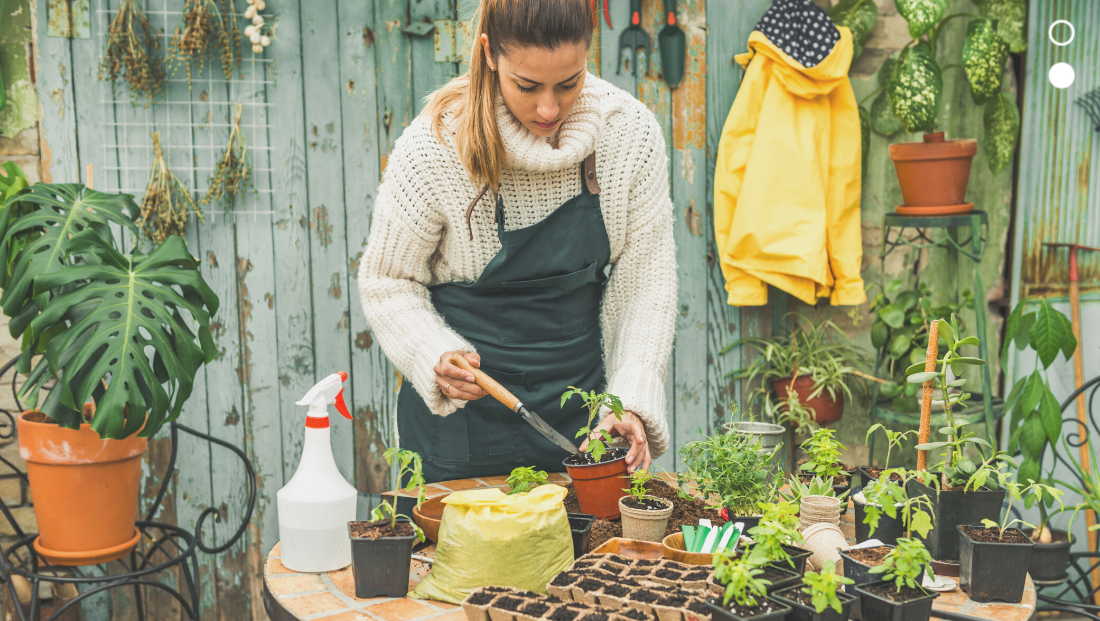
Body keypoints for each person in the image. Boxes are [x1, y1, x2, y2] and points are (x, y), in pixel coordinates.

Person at [357, 0, 677, 484]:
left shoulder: (627, 134)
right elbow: (387, 280)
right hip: (460, 431)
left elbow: (646, 282)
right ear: (489, 54)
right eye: (527, 85)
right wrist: (431, 352)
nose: (548, 108)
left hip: (585, 424)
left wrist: (626, 399)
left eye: (568, 83)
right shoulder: (436, 145)